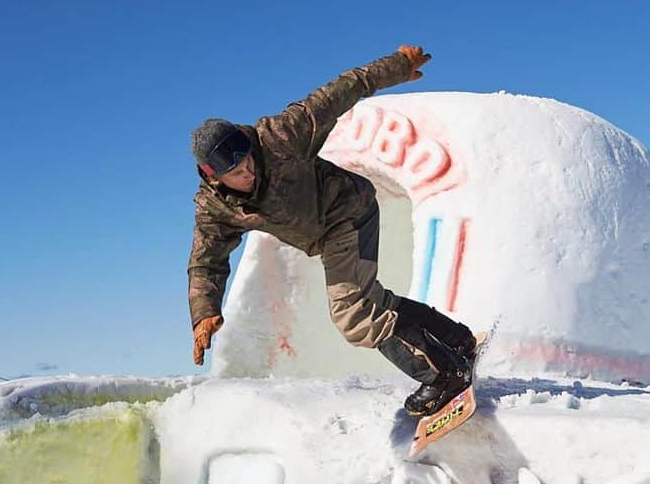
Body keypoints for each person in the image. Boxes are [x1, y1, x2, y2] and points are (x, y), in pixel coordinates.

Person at [188, 45, 476, 417]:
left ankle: (445, 375)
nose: (250, 173)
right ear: (215, 178)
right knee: (371, 303)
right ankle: (457, 340)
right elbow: (205, 262)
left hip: (348, 211)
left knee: (354, 316)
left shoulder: (279, 137)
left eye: (249, 163)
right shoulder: (214, 208)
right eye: (239, 174)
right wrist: (204, 311)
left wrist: (396, 67)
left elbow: (340, 91)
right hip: (325, 236)